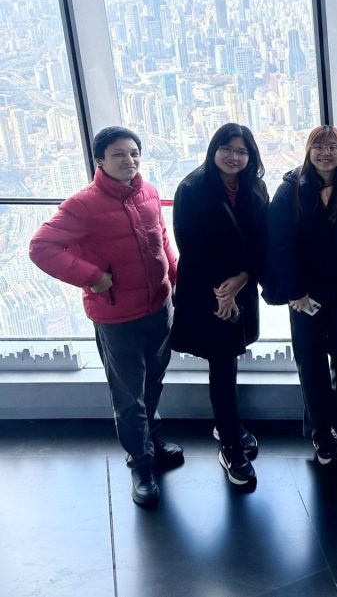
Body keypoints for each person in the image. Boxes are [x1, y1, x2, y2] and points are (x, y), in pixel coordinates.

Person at [29, 126, 182, 507]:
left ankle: (151, 440)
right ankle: (140, 462)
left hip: (159, 307)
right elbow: (41, 247)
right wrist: (93, 277)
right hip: (117, 316)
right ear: (100, 160)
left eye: (134, 153)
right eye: (119, 154)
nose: (129, 160)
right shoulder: (83, 205)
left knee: (154, 382)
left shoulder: (148, 192)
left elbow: (161, 239)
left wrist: (176, 279)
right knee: (128, 396)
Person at [170, 123, 268, 490]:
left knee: (228, 362)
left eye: (242, 151)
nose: (234, 157)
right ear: (213, 150)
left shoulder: (255, 187)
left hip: (240, 287)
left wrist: (242, 279)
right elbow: (191, 248)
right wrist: (222, 293)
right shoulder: (192, 189)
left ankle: (229, 427)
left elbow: (263, 241)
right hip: (208, 293)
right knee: (222, 366)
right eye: (227, 148)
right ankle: (230, 446)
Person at [264, 125, 337, 465]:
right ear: (308, 151)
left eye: (333, 147)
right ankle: (321, 433)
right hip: (303, 294)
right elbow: (278, 244)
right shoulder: (290, 189)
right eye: (318, 146)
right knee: (311, 364)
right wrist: (295, 292)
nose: (326, 153)